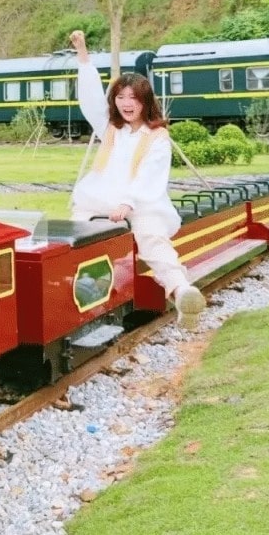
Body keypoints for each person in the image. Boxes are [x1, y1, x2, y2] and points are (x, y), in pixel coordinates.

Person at [68, 30, 206, 330]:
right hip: (97, 201)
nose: (126, 103)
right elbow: (89, 99)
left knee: (152, 239)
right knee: (77, 239)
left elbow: (150, 177)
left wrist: (127, 203)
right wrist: (83, 55)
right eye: (120, 97)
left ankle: (182, 292)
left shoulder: (157, 137)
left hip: (142, 204)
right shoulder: (109, 128)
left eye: (133, 98)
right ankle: (76, 299)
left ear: (145, 102)